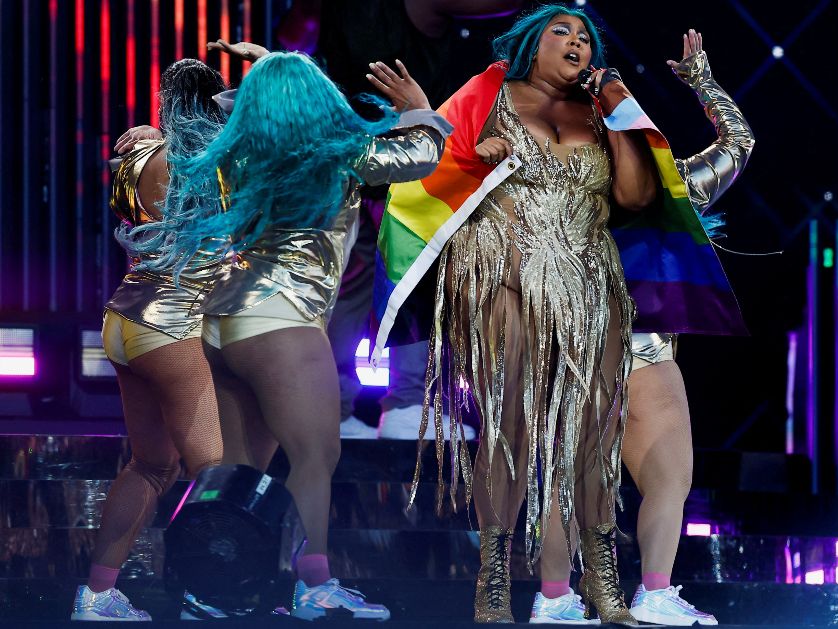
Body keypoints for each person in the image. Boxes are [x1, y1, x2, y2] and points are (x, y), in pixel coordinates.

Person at [375, 5, 744, 624]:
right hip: (508, 280)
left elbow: (635, 193)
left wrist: (629, 102)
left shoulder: (609, 121)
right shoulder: (490, 93)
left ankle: (618, 589)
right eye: (561, 31)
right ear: (530, 42)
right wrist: (422, 115)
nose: (576, 41)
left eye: (586, 37)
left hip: (598, 299)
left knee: (591, 446)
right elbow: (441, 162)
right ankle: (505, 586)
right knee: (517, 433)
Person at [123, 45, 451, 620]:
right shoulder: (342, 153)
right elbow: (422, 154)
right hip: (284, 322)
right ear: (319, 98)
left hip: (221, 323)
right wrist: (420, 106)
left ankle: (215, 588)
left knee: (236, 472)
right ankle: (314, 588)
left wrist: (264, 73)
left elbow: (222, 114)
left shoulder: (237, 154)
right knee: (315, 457)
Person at [531, 29, 755, 626]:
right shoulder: (668, 186)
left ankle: (555, 598)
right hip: (635, 351)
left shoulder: (559, 188)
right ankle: (650, 593)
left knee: (573, 482)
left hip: (575, 347)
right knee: (663, 478)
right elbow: (739, 142)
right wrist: (701, 81)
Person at [276, 0, 522, 441]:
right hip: (380, 165)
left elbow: (293, 38)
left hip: (375, 165)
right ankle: (395, 405)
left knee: (366, 289)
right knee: (397, 283)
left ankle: (347, 408)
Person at [71, 59, 227, 622]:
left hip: (124, 317)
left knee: (151, 466)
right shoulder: (216, 163)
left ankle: (97, 594)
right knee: (217, 474)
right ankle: (208, 596)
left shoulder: (137, 155)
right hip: (175, 323)